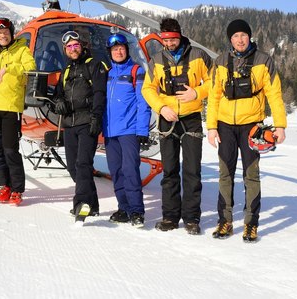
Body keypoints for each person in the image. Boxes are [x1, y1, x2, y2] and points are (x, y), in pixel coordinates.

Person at [206, 18, 287, 243]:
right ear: (230, 39)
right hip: (224, 125)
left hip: (252, 125)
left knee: (251, 175)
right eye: (235, 36)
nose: (240, 40)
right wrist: (211, 127)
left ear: (249, 37)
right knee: (225, 174)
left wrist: (280, 125)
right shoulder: (221, 62)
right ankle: (225, 220)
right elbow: (213, 97)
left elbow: (275, 95)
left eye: (243, 35)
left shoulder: (264, 61)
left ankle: (251, 223)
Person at [142, 18, 212, 235]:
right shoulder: (156, 60)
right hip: (167, 118)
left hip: (191, 117)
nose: (169, 43)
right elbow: (148, 89)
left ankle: (191, 218)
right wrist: (161, 108)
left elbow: (215, 81)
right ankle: (170, 216)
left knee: (192, 170)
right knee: (170, 170)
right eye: (165, 39)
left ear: (179, 36)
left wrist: (197, 93)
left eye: (172, 39)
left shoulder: (199, 56)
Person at [0, 18, 36, 206]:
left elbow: (31, 67)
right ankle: (5, 186)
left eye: (6, 33)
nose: (2, 36)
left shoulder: (21, 50)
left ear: (11, 33)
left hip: (10, 108)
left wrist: (10, 68)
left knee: (10, 149)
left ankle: (17, 189)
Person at [53, 31, 107, 223]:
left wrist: (96, 117)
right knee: (73, 167)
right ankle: (92, 205)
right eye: (69, 47)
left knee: (83, 164)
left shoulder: (94, 65)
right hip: (69, 123)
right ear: (65, 50)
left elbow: (100, 93)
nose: (73, 49)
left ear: (82, 46)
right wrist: (58, 101)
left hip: (87, 122)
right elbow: (58, 93)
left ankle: (80, 204)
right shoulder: (66, 70)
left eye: (76, 45)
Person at [102, 33, 151, 227]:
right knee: (116, 171)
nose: (118, 51)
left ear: (126, 50)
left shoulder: (136, 71)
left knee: (130, 170)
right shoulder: (107, 73)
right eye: (115, 49)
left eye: (121, 48)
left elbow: (143, 102)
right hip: (109, 131)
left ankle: (137, 210)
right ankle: (124, 208)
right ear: (110, 52)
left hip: (129, 130)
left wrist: (142, 130)